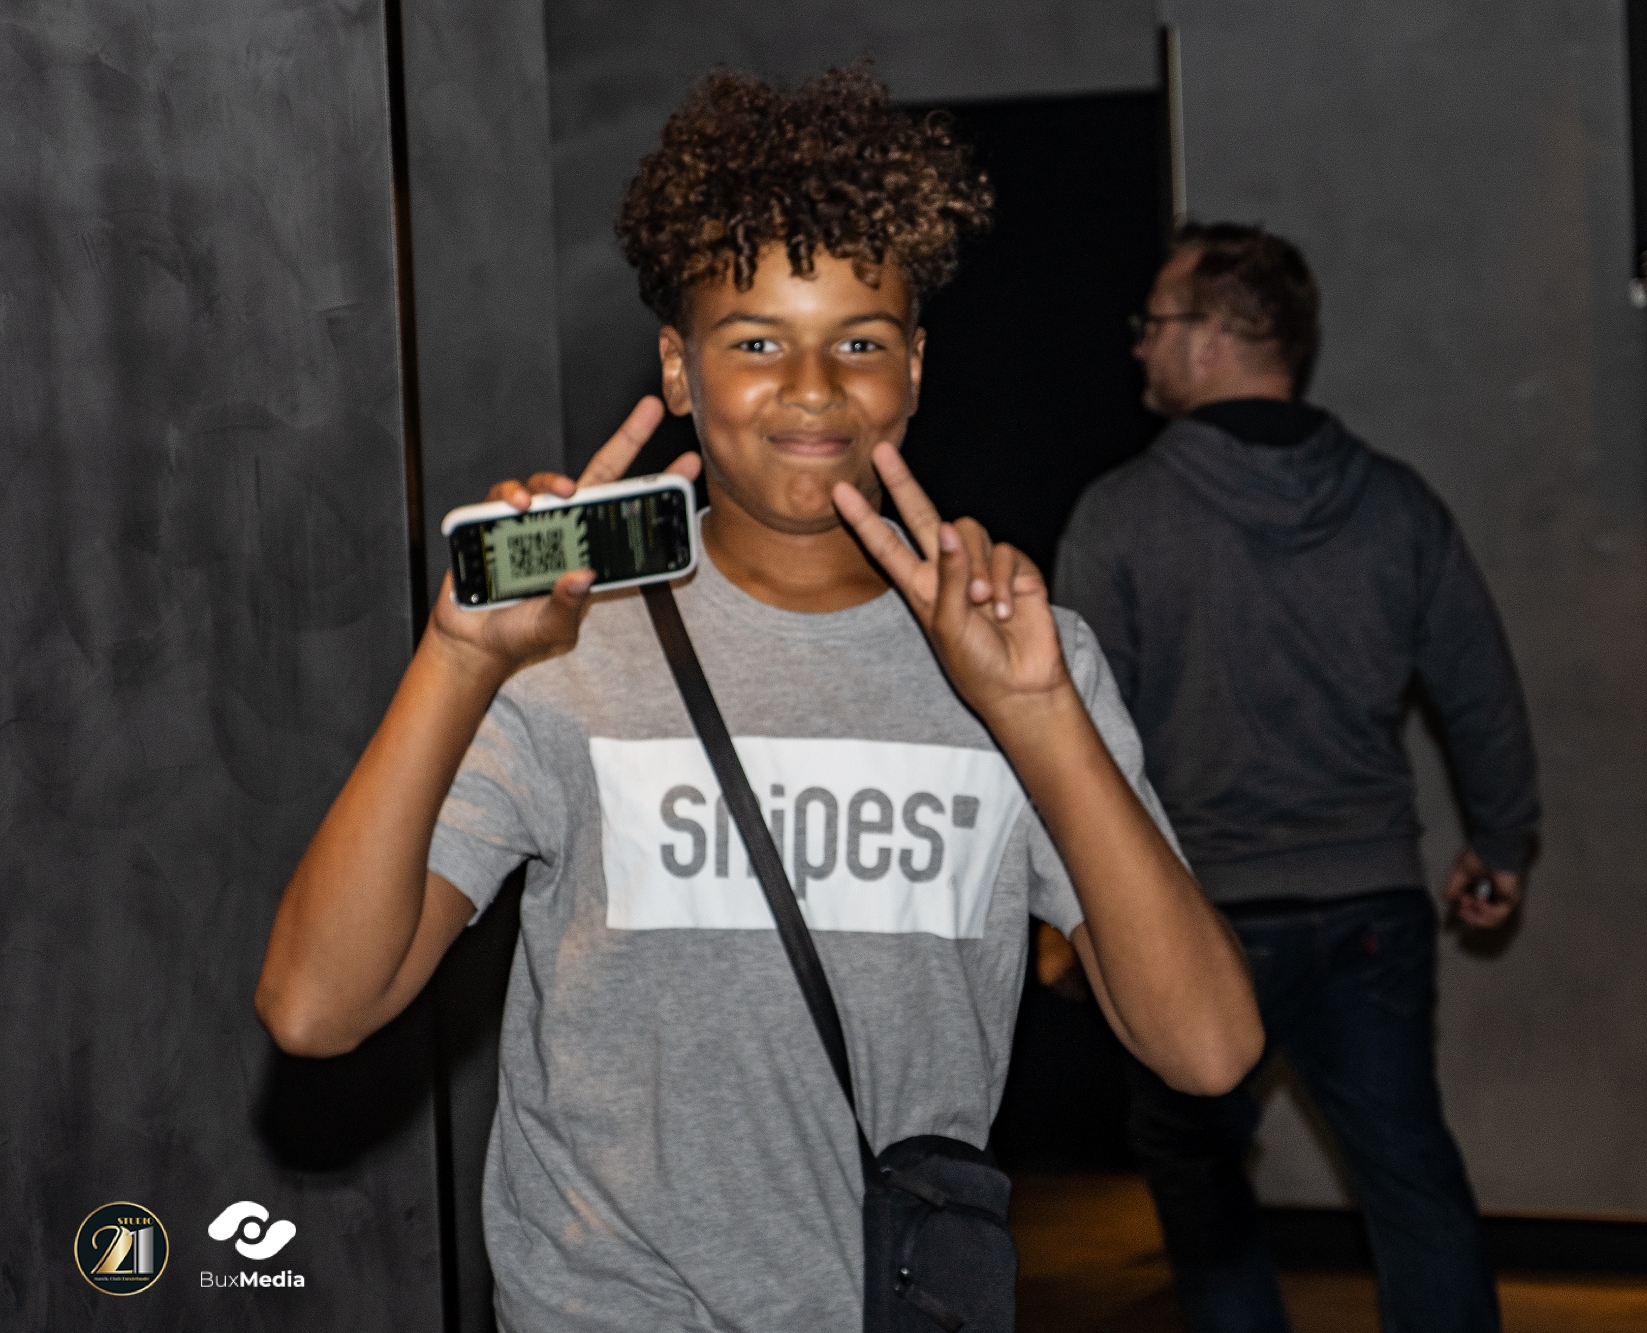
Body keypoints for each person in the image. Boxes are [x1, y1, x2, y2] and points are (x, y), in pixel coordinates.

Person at [254, 69, 1261, 1332]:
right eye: (754, 342)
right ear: (677, 370)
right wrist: (459, 659)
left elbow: (1208, 1049)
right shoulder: (565, 651)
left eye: (860, 340)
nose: (811, 386)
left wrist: (1037, 715)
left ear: (914, 368)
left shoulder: (1025, 661)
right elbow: (315, 1006)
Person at [1054, 222, 1540, 1333]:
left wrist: (1076, 912)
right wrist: (1501, 842)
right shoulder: (1398, 502)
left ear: (1214, 339)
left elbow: (1079, 735)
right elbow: (1480, 689)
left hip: (1202, 917)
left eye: (1154, 325)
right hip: (1370, 905)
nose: (1138, 347)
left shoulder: (1120, 515)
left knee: (1202, 1184)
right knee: (1412, 1180)